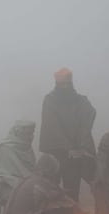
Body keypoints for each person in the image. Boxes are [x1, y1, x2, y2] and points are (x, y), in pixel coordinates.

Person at [39, 68, 96, 203]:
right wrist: (67, 147)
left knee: (71, 192)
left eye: (68, 84)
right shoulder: (49, 101)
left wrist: (81, 147)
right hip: (55, 153)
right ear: (57, 84)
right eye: (62, 84)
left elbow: (86, 122)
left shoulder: (81, 101)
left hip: (74, 156)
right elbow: (52, 126)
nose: (65, 87)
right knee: (50, 190)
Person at [0, 120, 36, 214]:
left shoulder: (27, 147)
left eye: (32, 133)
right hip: (4, 187)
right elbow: (2, 175)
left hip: (24, 183)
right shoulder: (5, 148)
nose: (30, 137)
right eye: (27, 133)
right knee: (32, 195)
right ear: (18, 133)